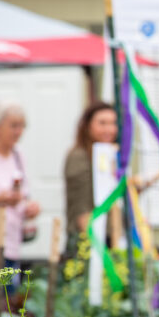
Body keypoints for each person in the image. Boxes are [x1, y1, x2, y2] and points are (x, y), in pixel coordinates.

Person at [0, 102, 41, 304]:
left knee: (7, 298)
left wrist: (29, 208)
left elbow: (23, 193)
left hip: (12, 239)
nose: (18, 132)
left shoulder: (18, 156)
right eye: (13, 125)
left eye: (22, 126)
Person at [64, 102, 118, 255]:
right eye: (102, 123)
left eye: (113, 123)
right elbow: (82, 208)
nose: (109, 129)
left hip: (110, 235)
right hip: (88, 238)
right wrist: (97, 249)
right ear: (87, 126)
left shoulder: (111, 155)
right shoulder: (79, 156)